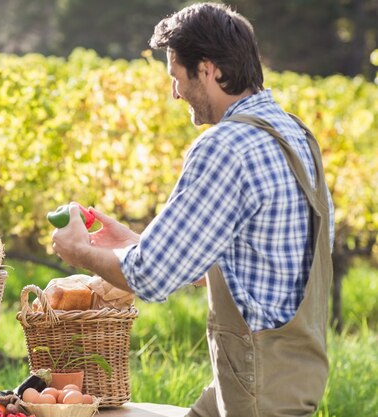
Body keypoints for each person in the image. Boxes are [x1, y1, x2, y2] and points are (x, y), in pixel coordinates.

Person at [51, 3, 334, 417]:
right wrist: (135, 242)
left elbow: (151, 277)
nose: (174, 92)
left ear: (208, 70)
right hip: (290, 375)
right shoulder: (295, 135)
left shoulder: (225, 146)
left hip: (255, 390)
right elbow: (264, 263)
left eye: (176, 76)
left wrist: (78, 250)